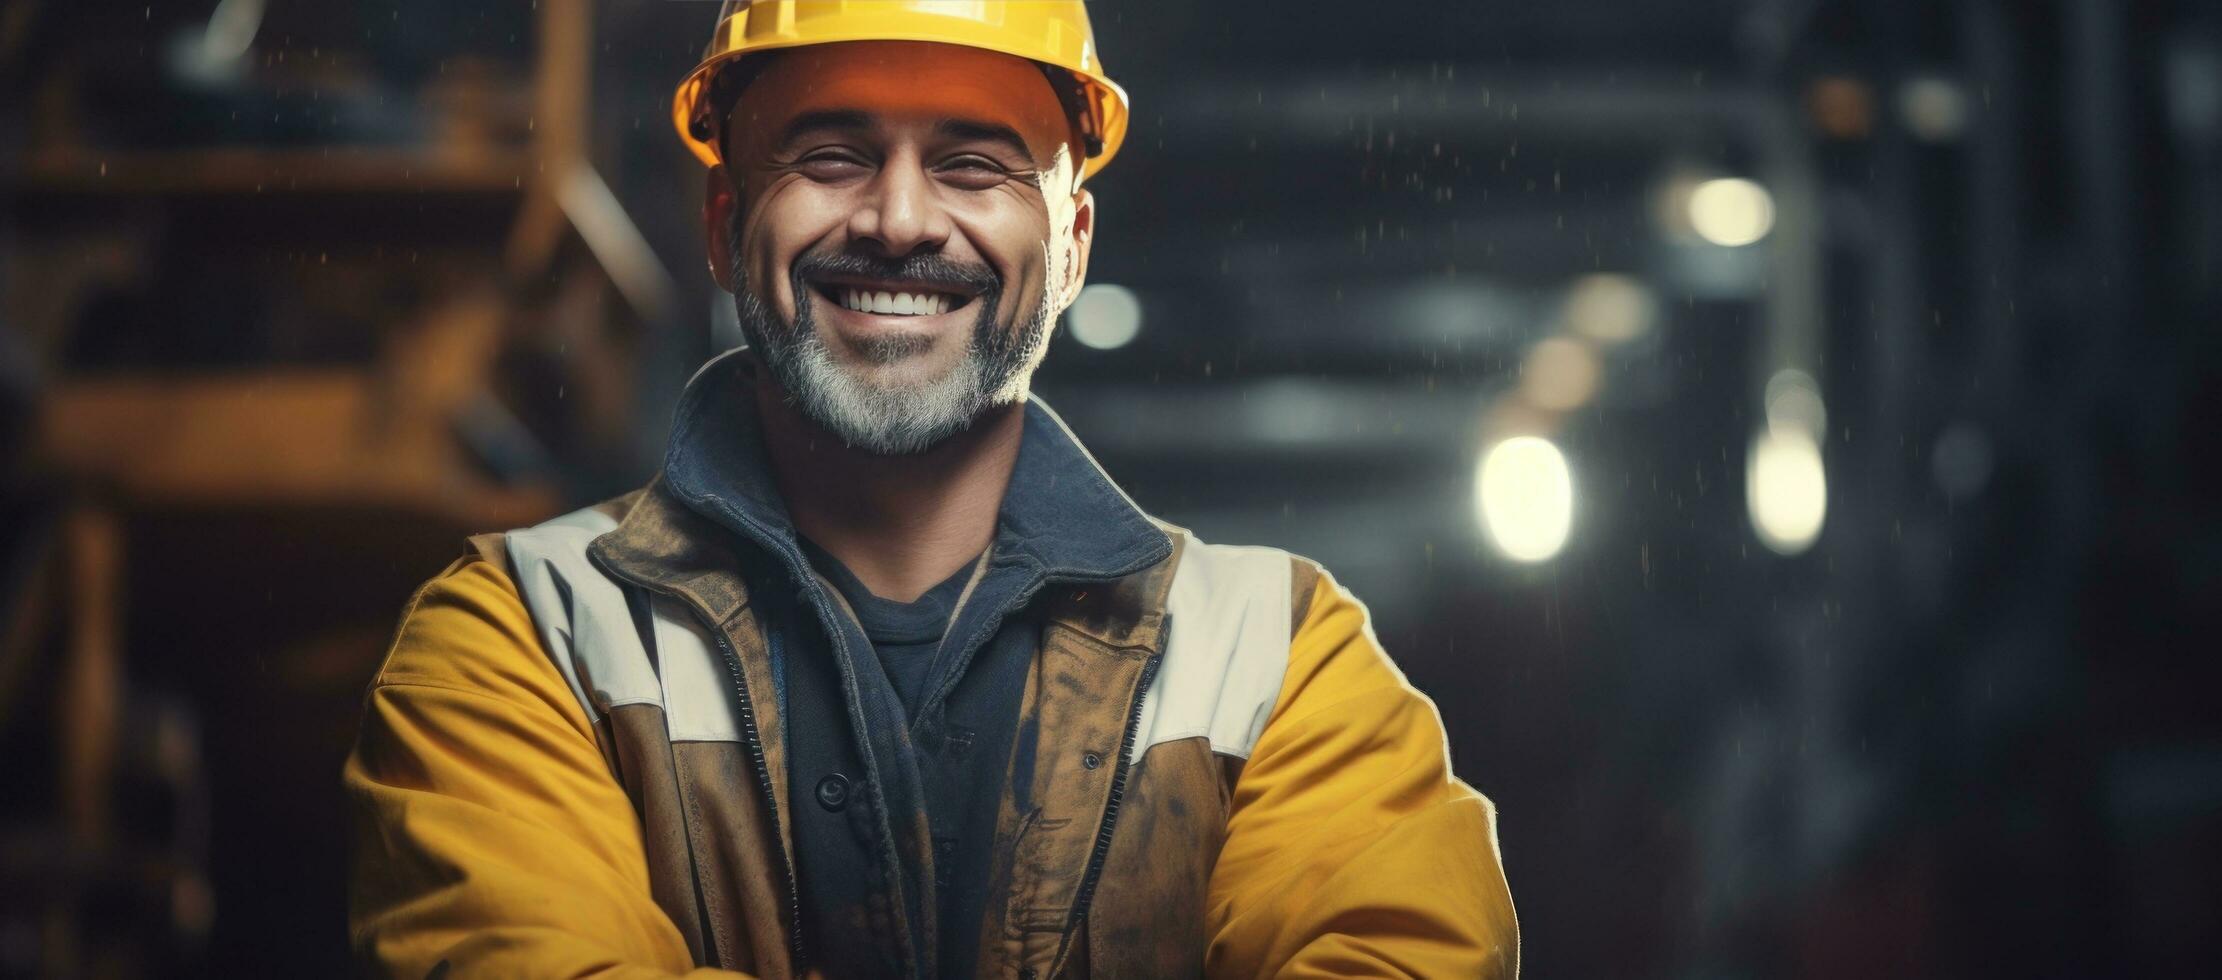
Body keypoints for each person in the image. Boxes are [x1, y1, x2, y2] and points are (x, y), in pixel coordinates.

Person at [342, 2, 1519, 977]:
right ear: (721, 222)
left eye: (972, 164)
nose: (900, 221)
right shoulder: (520, 635)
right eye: (830, 155)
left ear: (1071, 247)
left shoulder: (1279, 658)